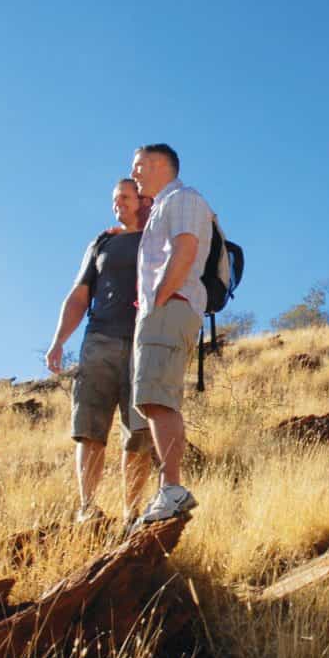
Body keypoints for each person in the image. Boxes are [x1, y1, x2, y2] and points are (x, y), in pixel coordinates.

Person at [45, 178, 156, 525]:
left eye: (124, 197)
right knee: (90, 428)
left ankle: (131, 513)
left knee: (139, 433)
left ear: (143, 200)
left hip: (144, 343)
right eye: (114, 199)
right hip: (99, 340)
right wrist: (59, 341)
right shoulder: (102, 242)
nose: (117, 203)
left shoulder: (158, 239)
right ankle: (87, 508)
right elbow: (79, 295)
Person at [128, 142, 212, 525]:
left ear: (160, 165)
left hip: (171, 305)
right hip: (164, 308)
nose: (134, 173)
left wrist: (160, 299)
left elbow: (185, 249)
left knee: (158, 398)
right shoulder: (165, 204)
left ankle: (172, 488)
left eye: (139, 165)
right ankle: (169, 489)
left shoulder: (182, 198)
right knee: (153, 399)